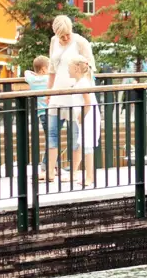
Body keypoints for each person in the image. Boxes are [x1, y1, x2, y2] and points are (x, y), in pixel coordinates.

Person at [46, 15, 96, 183]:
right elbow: (52, 70)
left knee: (76, 135)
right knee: (52, 132)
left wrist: (86, 94)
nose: (65, 38)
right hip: (57, 92)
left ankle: (74, 172)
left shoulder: (81, 42)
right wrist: (48, 92)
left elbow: (90, 70)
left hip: (75, 95)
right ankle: (50, 171)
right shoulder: (53, 42)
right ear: (56, 33)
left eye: (67, 34)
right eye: (62, 35)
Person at [69, 55, 101, 188]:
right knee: (84, 145)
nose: (67, 70)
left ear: (76, 68)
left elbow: (87, 102)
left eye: (69, 67)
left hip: (87, 117)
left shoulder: (83, 83)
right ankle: (84, 175)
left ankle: (90, 177)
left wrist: (81, 116)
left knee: (87, 147)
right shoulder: (80, 81)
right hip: (84, 117)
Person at [24, 56, 50, 178]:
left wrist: (34, 73)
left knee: (51, 139)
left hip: (42, 114)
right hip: (53, 111)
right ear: (44, 69)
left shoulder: (32, 80)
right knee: (52, 140)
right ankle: (46, 167)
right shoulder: (49, 79)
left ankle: (51, 166)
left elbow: (26, 73)